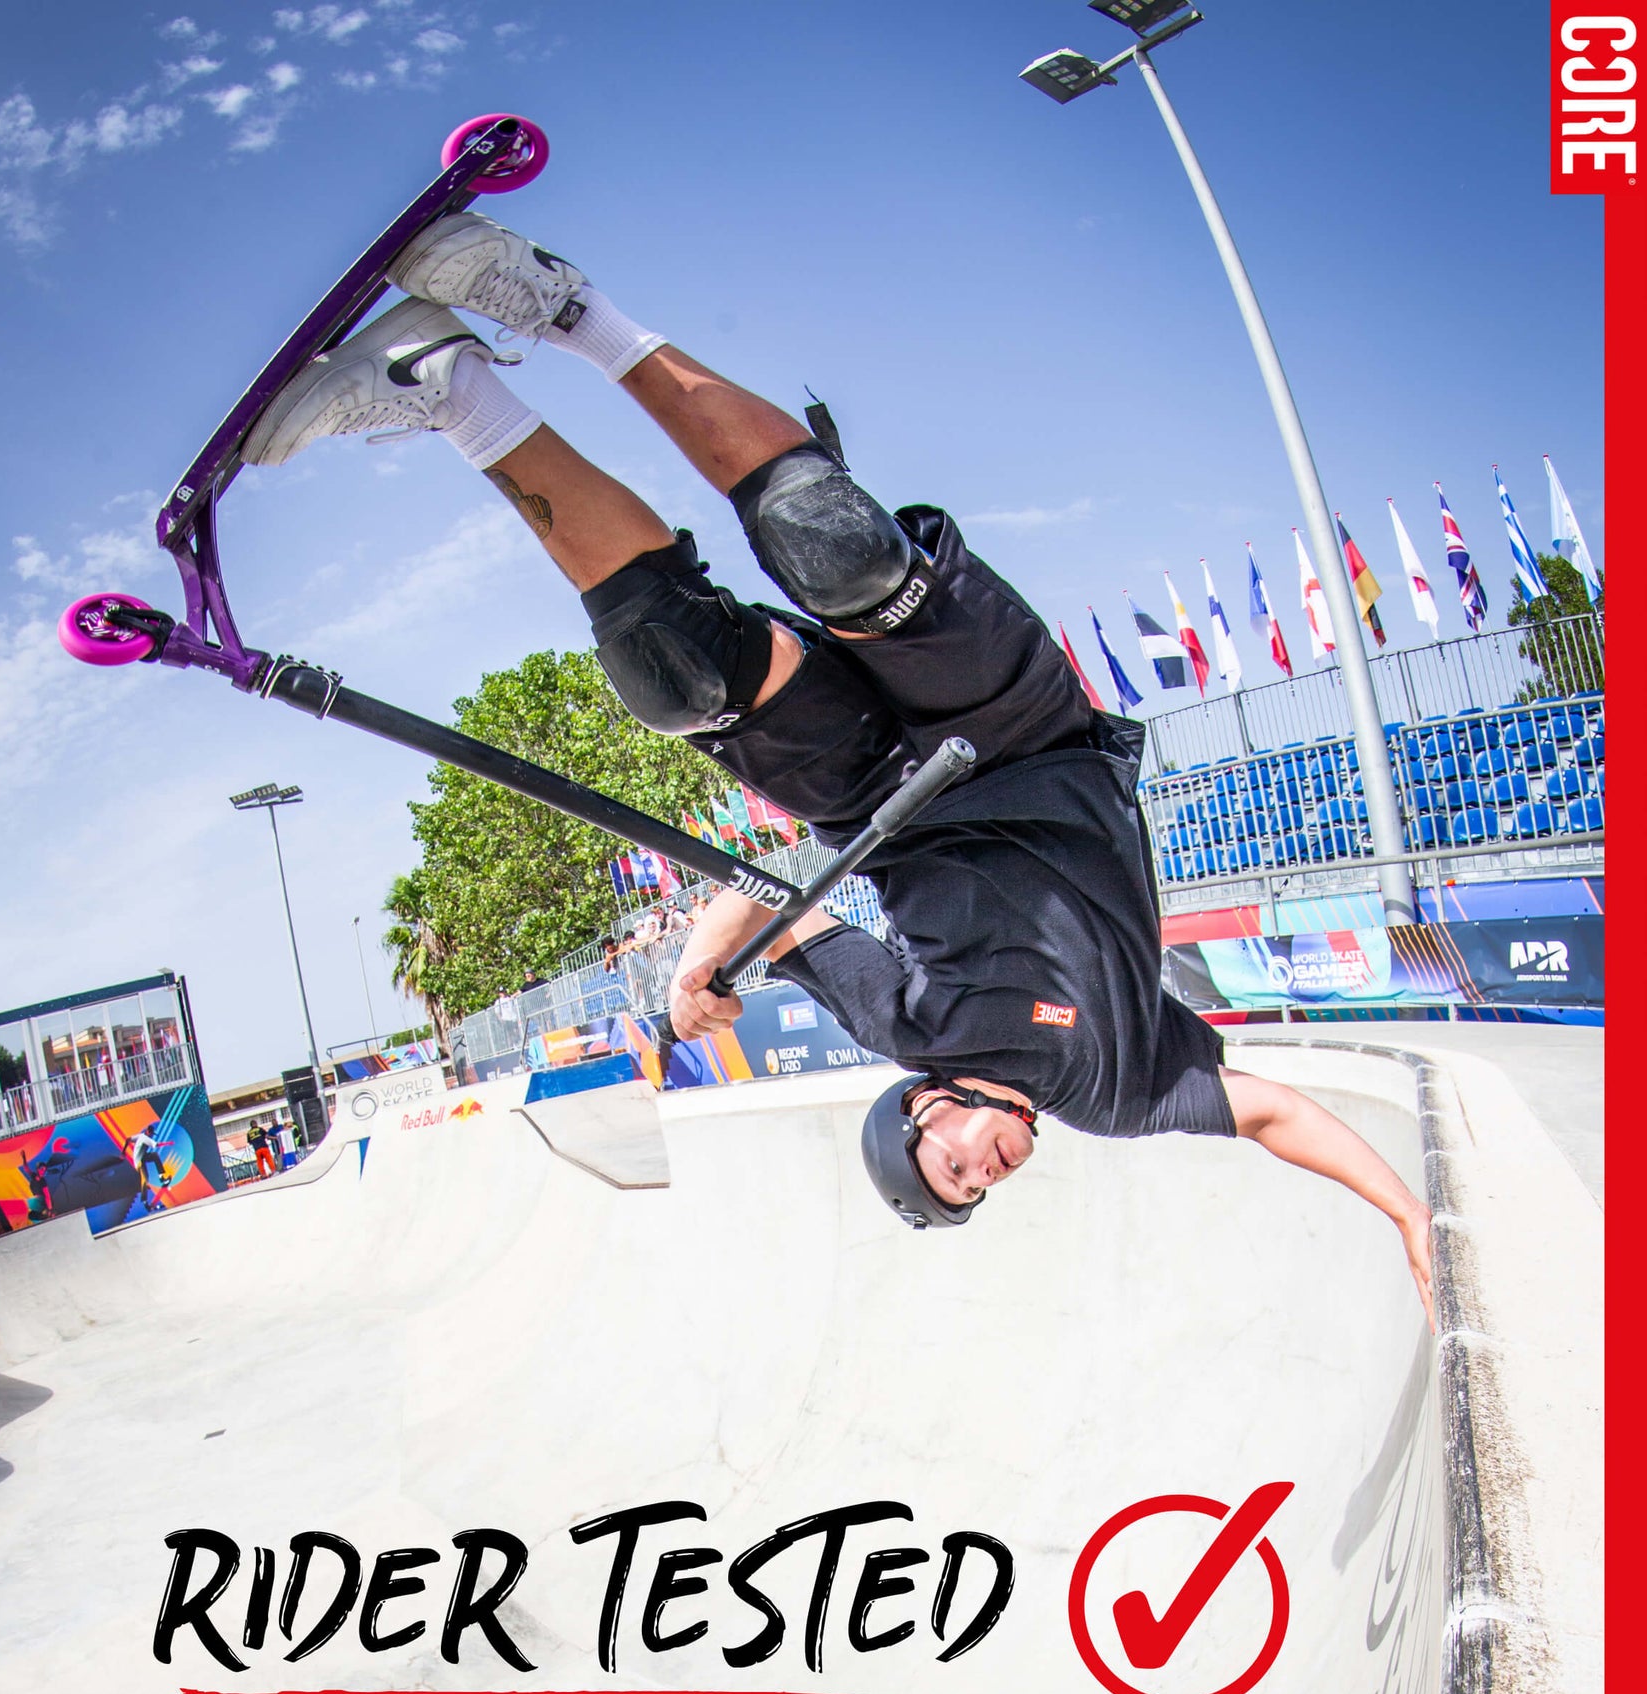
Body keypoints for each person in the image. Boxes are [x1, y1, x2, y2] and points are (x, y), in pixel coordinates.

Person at [246, 211, 1435, 1330]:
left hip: (881, 792)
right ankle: (512, 345)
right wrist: (1404, 1213)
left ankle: (483, 365)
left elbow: (773, 901)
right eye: (979, 1188)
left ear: (921, 1109)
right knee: (843, 558)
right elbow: (1275, 1114)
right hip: (1025, 738)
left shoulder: (903, 1026)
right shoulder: (1120, 1089)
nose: (985, 1171)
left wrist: (699, 965)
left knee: (685, 663)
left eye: (953, 1171)